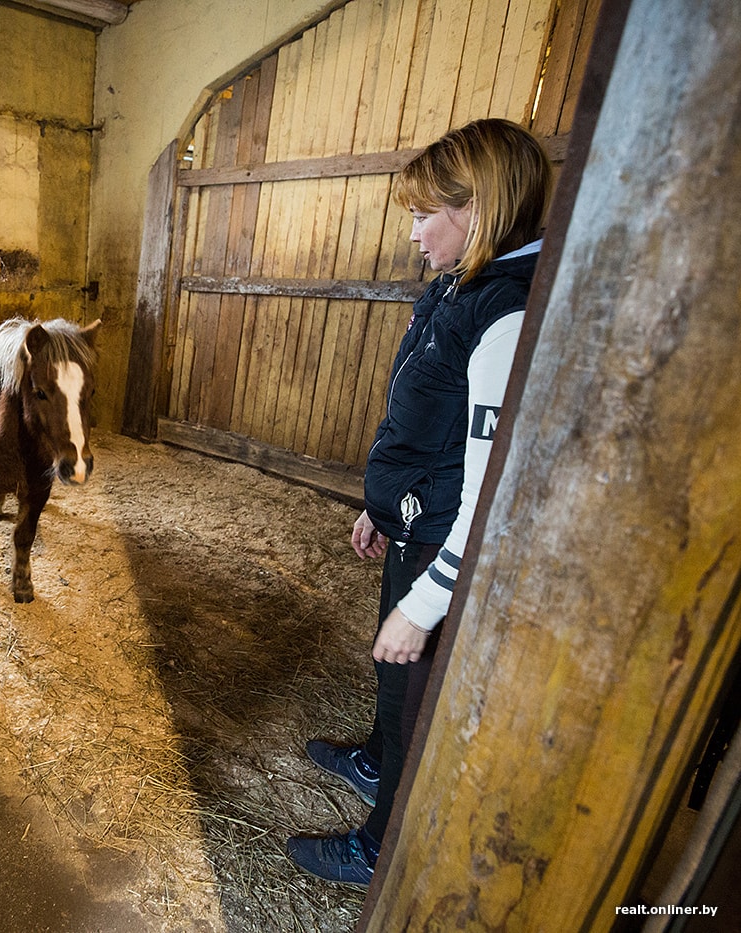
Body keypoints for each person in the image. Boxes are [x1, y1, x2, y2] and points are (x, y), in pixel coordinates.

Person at [286, 118, 553, 887]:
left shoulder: (504, 309)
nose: (412, 234)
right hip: (412, 526)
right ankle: (376, 760)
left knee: (415, 696)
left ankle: (380, 849)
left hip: (444, 545)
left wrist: (431, 597)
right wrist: (383, 503)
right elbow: (429, 425)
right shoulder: (457, 288)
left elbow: (489, 483)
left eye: (423, 214)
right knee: (393, 679)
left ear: (477, 211)